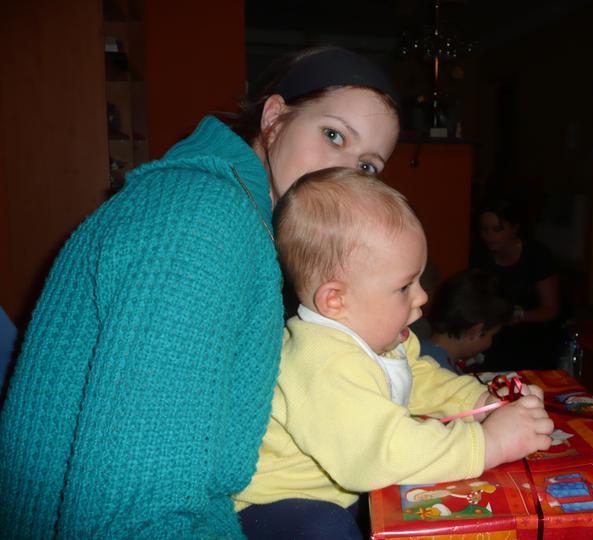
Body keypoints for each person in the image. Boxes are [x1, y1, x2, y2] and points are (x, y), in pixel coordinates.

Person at [0, 46, 400, 538]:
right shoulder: (201, 223)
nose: (344, 174)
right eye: (333, 135)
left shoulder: (253, 225)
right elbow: (135, 515)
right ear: (274, 119)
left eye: (367, 167)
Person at [234, 168, 554, 539]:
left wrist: (484, 402)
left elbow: (419, 379)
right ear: (336, 300)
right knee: (326, 529)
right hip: (274, 506)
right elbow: (381, 452)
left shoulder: (381, 338)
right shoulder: (323, 363)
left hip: (342, 486)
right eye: (404, 287)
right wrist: (489, 444)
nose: (422, 296)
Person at [474, 198, 564, 371]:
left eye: (497, 229)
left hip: (535, 337)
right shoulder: (480, 257)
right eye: (485, 230)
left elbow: (551, 309)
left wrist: (517, 315)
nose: (489, 236)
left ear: (514, 228)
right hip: (494, 337)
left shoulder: (537, 256)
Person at [420, 268, 514, 374]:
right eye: (492, 335)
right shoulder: (446, 377)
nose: (490, 342)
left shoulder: (417, 348)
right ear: (475, 332)